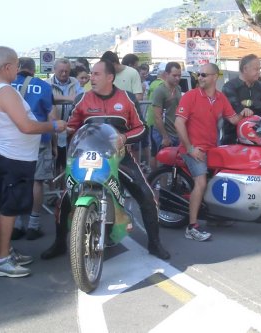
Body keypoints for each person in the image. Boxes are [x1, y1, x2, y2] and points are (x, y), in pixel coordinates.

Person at [46, 60, 170, 260]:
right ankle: (59, 243)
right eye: (91, 74)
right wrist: (64, 129)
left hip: (119, 157)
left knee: (146, 195)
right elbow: (73, 126)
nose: (91, 78)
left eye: (96, 74)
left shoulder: (127, 98)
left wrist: (124, 138)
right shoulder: (82, 99)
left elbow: (141, 128)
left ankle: (155, 244)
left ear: (110, 77)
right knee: (65, 198)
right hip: (86, 157)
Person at [0, 46, 66, 278]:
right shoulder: (5, 92)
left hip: (7, 155)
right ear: (7, 67)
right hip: (12, 158)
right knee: (9, 208)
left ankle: (6, 251)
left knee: (6, 206)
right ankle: (2, 259)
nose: (18, 70)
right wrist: (54, 126)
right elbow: (26, 126)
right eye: (16, 65)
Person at [174, 63, 253, 241]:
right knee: (201, 182)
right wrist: (190, 148)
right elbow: (179, 123)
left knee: (223, 176)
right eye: (199, 75)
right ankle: (192, 227)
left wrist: (246, 114)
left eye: (204, 75)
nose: (200, 78)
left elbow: (233, 119)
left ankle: (215, 217)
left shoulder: (220, 98)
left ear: (215, 77)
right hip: (193, 148)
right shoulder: (191, 96)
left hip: (212, 147)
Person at [10, 57, 55, 241]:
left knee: (17, 180)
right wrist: (54, 143)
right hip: (38, 138)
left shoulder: (7, 85)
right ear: (33, 69)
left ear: (19, 67)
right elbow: (51, 115)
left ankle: (18, 224)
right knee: (37, 182)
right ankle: (33, 225)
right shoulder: (43, 86)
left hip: (13, 139)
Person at [221, 54, 261, 144]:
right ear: (245, 69)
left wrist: (249, 103)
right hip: (234, 139)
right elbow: (237, 112)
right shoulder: (230, 87)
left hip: (259, 138)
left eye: (259, 69)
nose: (259, 72)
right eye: (256, 69)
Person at [47, 58, 83, 187]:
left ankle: (66, 192)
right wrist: (67, 99)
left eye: (66, 71)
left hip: (71, 128)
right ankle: (53, 193)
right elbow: (48, 98)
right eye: (61, 71)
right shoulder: (47, 84)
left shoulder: (75, 82)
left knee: (68, 162)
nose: (63, 74)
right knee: (54, 164)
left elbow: (80, 98)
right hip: (54, 130)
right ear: (54, 70)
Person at [152, 62, 182, 152]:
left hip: (176, 132)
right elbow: (157, 117)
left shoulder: (178, 88)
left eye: (179, 75)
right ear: (166, 74)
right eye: (174, 75)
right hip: (164, 133)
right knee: (163, 162)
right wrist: (165, 137)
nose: (177, 78)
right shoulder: (160, 91)